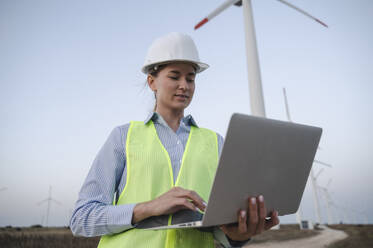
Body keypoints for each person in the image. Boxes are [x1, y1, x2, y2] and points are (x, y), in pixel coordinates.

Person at [70, 32, 279, 248]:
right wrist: (149, 208)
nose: (184, 85)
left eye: (190, 78)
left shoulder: (215, 143)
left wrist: (238, 235)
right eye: (174, 76)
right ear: (152, 82)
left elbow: (220, 227)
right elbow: (81, 218)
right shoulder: (123, 137)